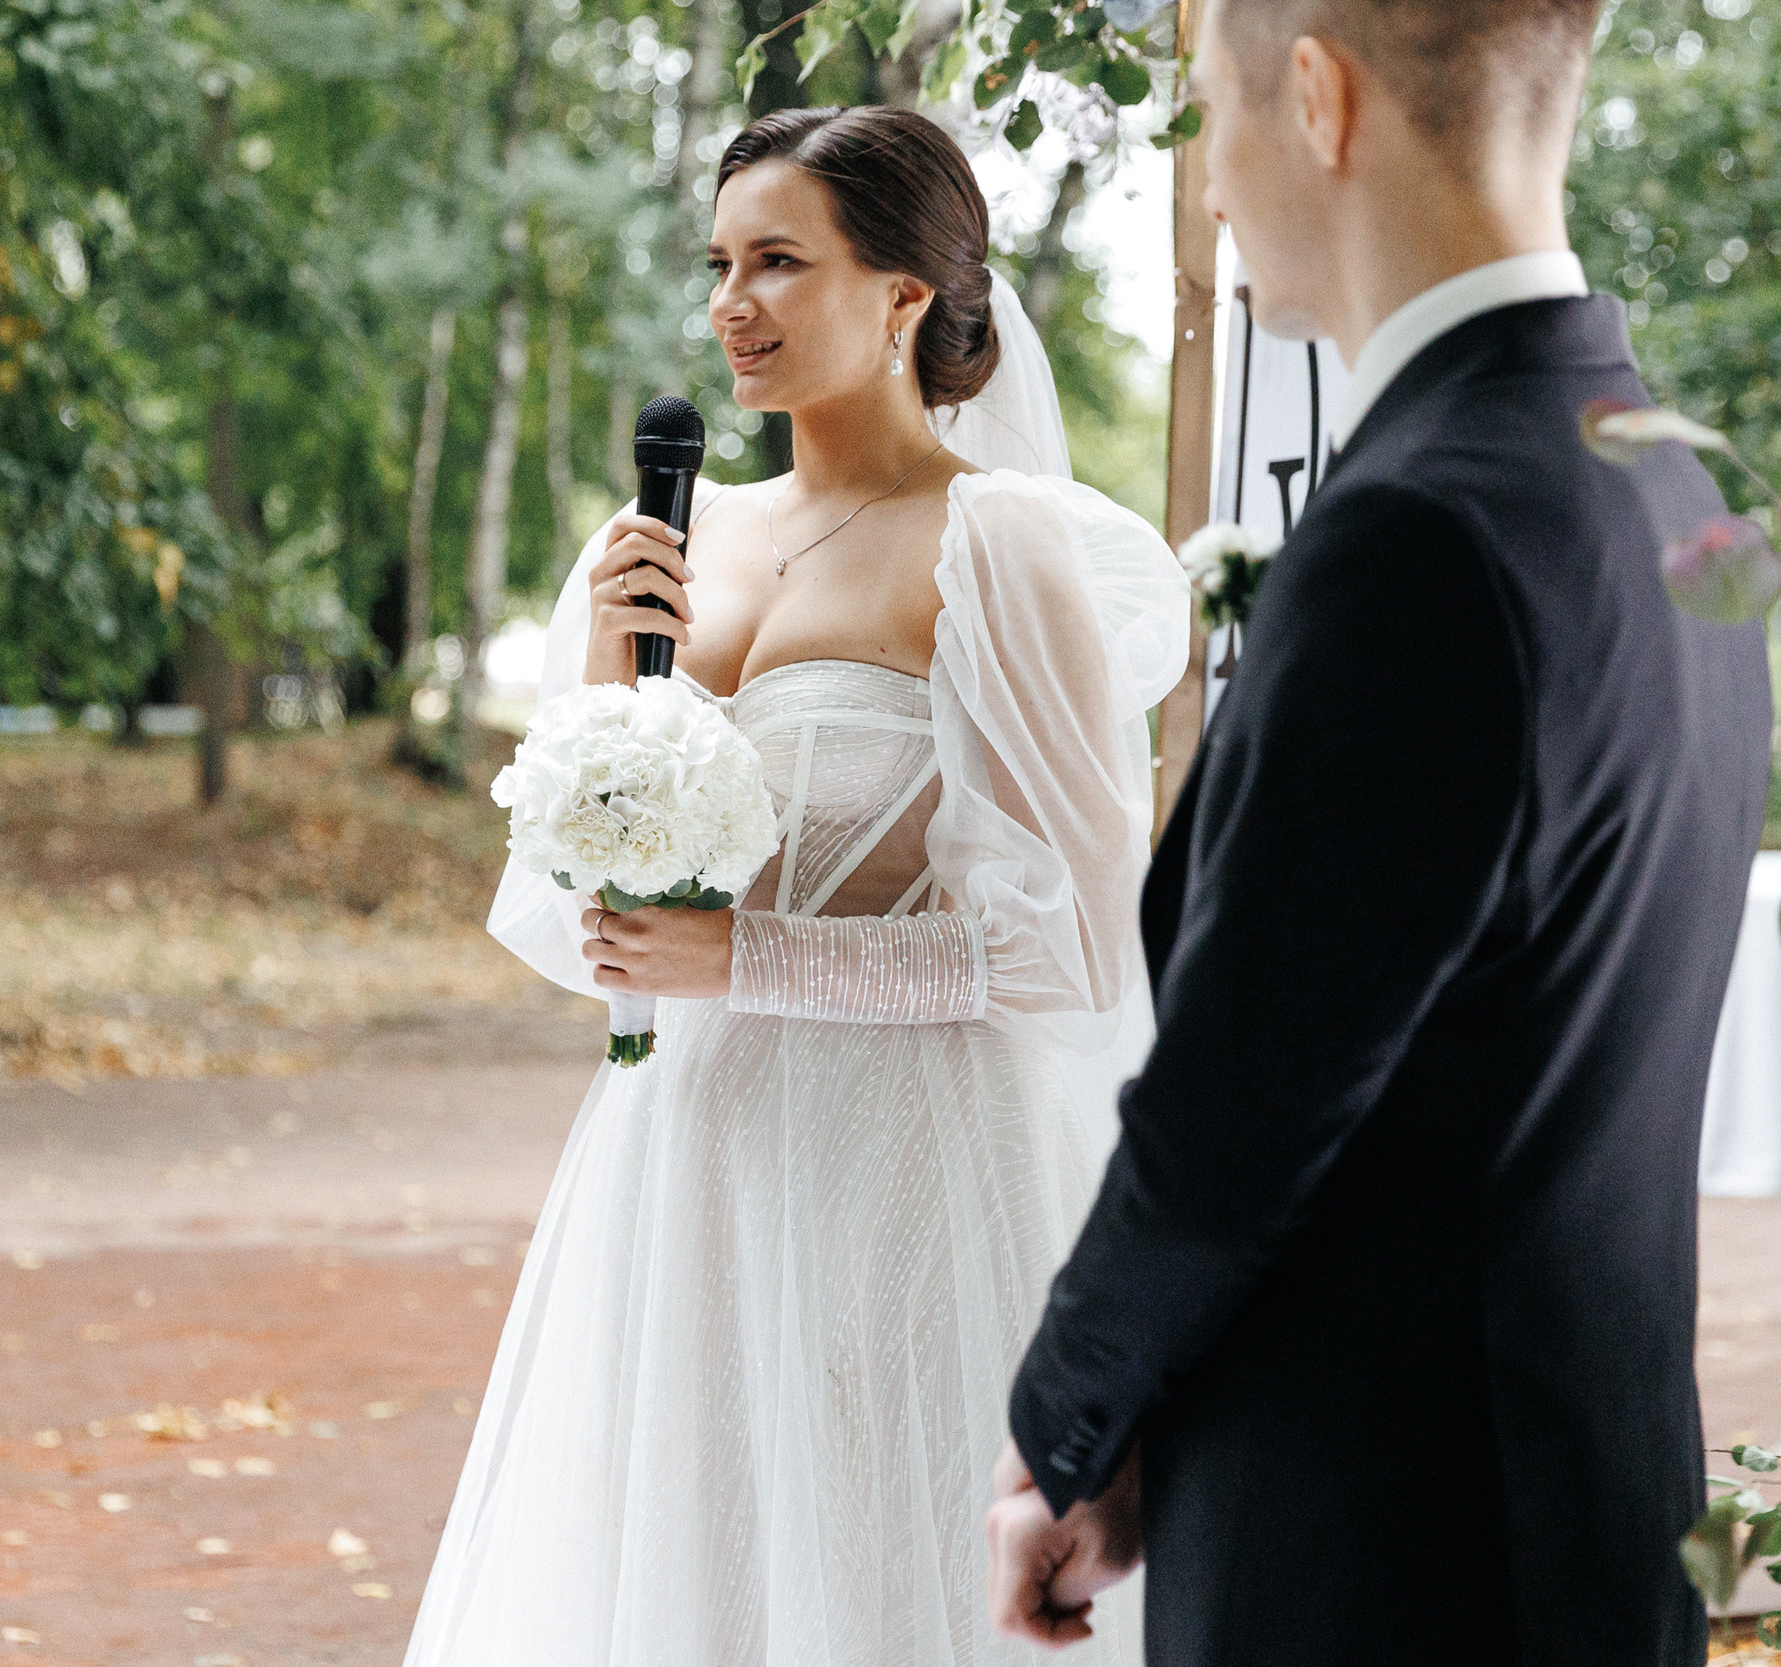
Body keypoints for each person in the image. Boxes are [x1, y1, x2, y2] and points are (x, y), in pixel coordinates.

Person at [985, 0, 1774, 1662]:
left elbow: (1242, 1101)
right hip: (1593, 1517)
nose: (1205, 180)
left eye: (1209, 109)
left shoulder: (1417, 531)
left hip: (1382, 1558)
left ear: (1323, 98)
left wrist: (1068, 1424)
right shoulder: (1683, 496)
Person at [404, 106, 1186, 1667]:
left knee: (878, 1573)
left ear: (907, 297)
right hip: (685, 1164)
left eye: (779, 261)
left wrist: (746, 958)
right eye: (718, 263)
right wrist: (607, 683)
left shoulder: (1004, 546)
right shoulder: (660, 548)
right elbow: (578, 925)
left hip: (903, 1171)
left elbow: (1076, 947)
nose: (731, 305)